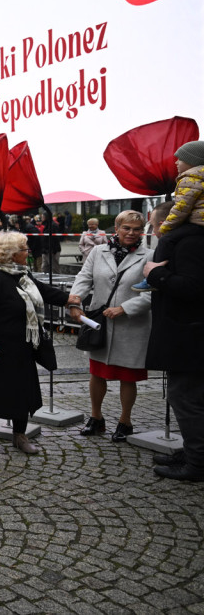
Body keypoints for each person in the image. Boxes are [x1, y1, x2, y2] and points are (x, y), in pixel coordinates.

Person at [0, 233, 72, 455]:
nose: (28, 252)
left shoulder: (23, 275)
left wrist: (69, 299)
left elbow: (40, 290)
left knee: (21, 390)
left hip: (20, 345)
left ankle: (19, 436)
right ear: (12, 255)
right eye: (24, 249)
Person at [69, 210, 153, 442]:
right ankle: (96, 418)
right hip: (100, 323)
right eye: (126, 228)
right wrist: (74, 301)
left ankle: (125, 421)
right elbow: (84, 278)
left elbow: (154, 293)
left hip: (132, 325)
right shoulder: (98, 251)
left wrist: (125, 308)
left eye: (137, 229)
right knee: (97, 373)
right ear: (116, 229)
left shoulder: (150, 255)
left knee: (128, 376)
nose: (132, 233)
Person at [142, 200, 204, 481]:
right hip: (187, 333)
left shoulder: (190, 242)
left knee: (186, 399)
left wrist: (155, 273)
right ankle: (192, 453)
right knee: (189, 397)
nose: (155, 233)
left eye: (155, 226)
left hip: (190, 336)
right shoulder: (188, 239)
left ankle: (197, 463)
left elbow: (193, 287)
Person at [132, 142, 204, 293]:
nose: (176, 162)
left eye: (180, 159)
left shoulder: (189, 178)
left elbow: (181, 208)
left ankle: (153, 274)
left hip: (197, 222)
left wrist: (166, 227)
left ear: (193, 160)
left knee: (166, 239)